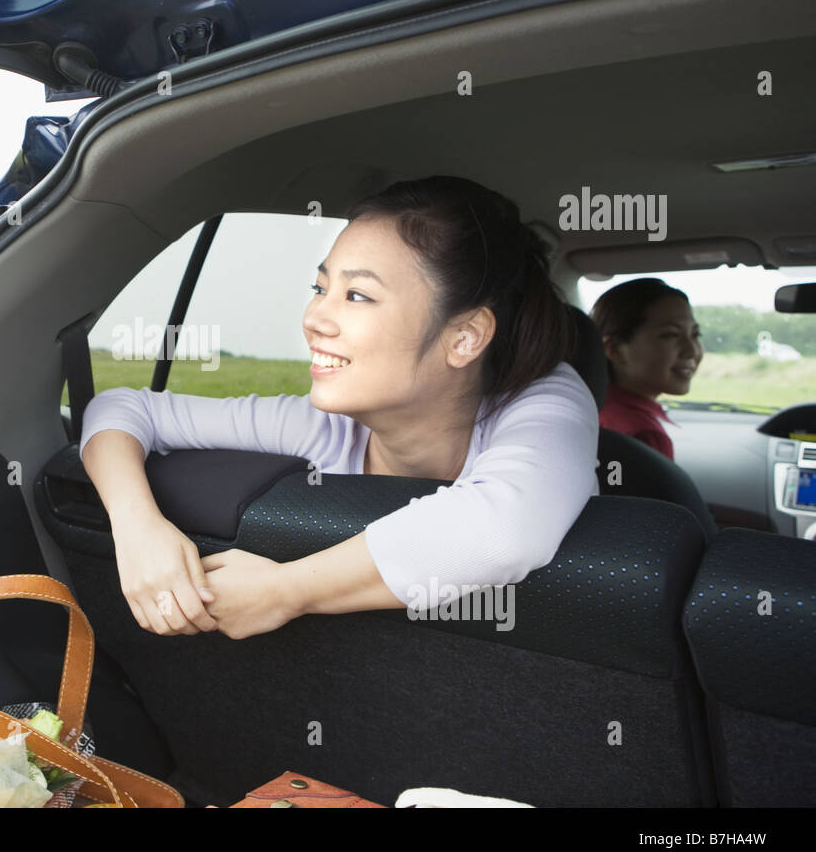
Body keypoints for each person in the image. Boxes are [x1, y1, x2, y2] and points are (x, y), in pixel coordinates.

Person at [79, 176, 600, 640]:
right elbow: (123, 409)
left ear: (465, 337)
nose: (313, 318)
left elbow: (501, 532)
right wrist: (139, 529)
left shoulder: (546, 399)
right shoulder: (322, 425)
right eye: (320, 287)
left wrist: (285, 591)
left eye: (357, 296)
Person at [589, 278, 701, 461]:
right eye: (671, 335)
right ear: (615, 349)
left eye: (695, 334)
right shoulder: (642, 434)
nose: (692, 351)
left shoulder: (591, 410)